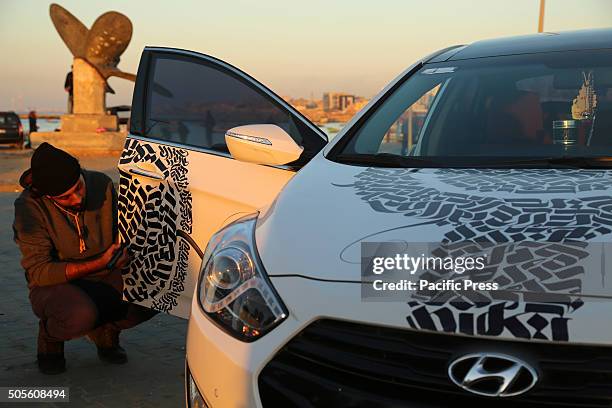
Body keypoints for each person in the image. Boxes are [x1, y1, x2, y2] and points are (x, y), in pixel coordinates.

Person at [13, 143, 157, 375]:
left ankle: (105, 331)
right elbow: (40, 272)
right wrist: (101, 262)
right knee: (80, 315)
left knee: (157, 292)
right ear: (48, 196)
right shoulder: (29, 206)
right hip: (55, 285)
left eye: (78, 186)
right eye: (66, 196)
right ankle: (50, 336)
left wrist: (125, 253)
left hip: (106, 273)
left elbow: (125, 231)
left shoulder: (101, 184)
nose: (78, 197)